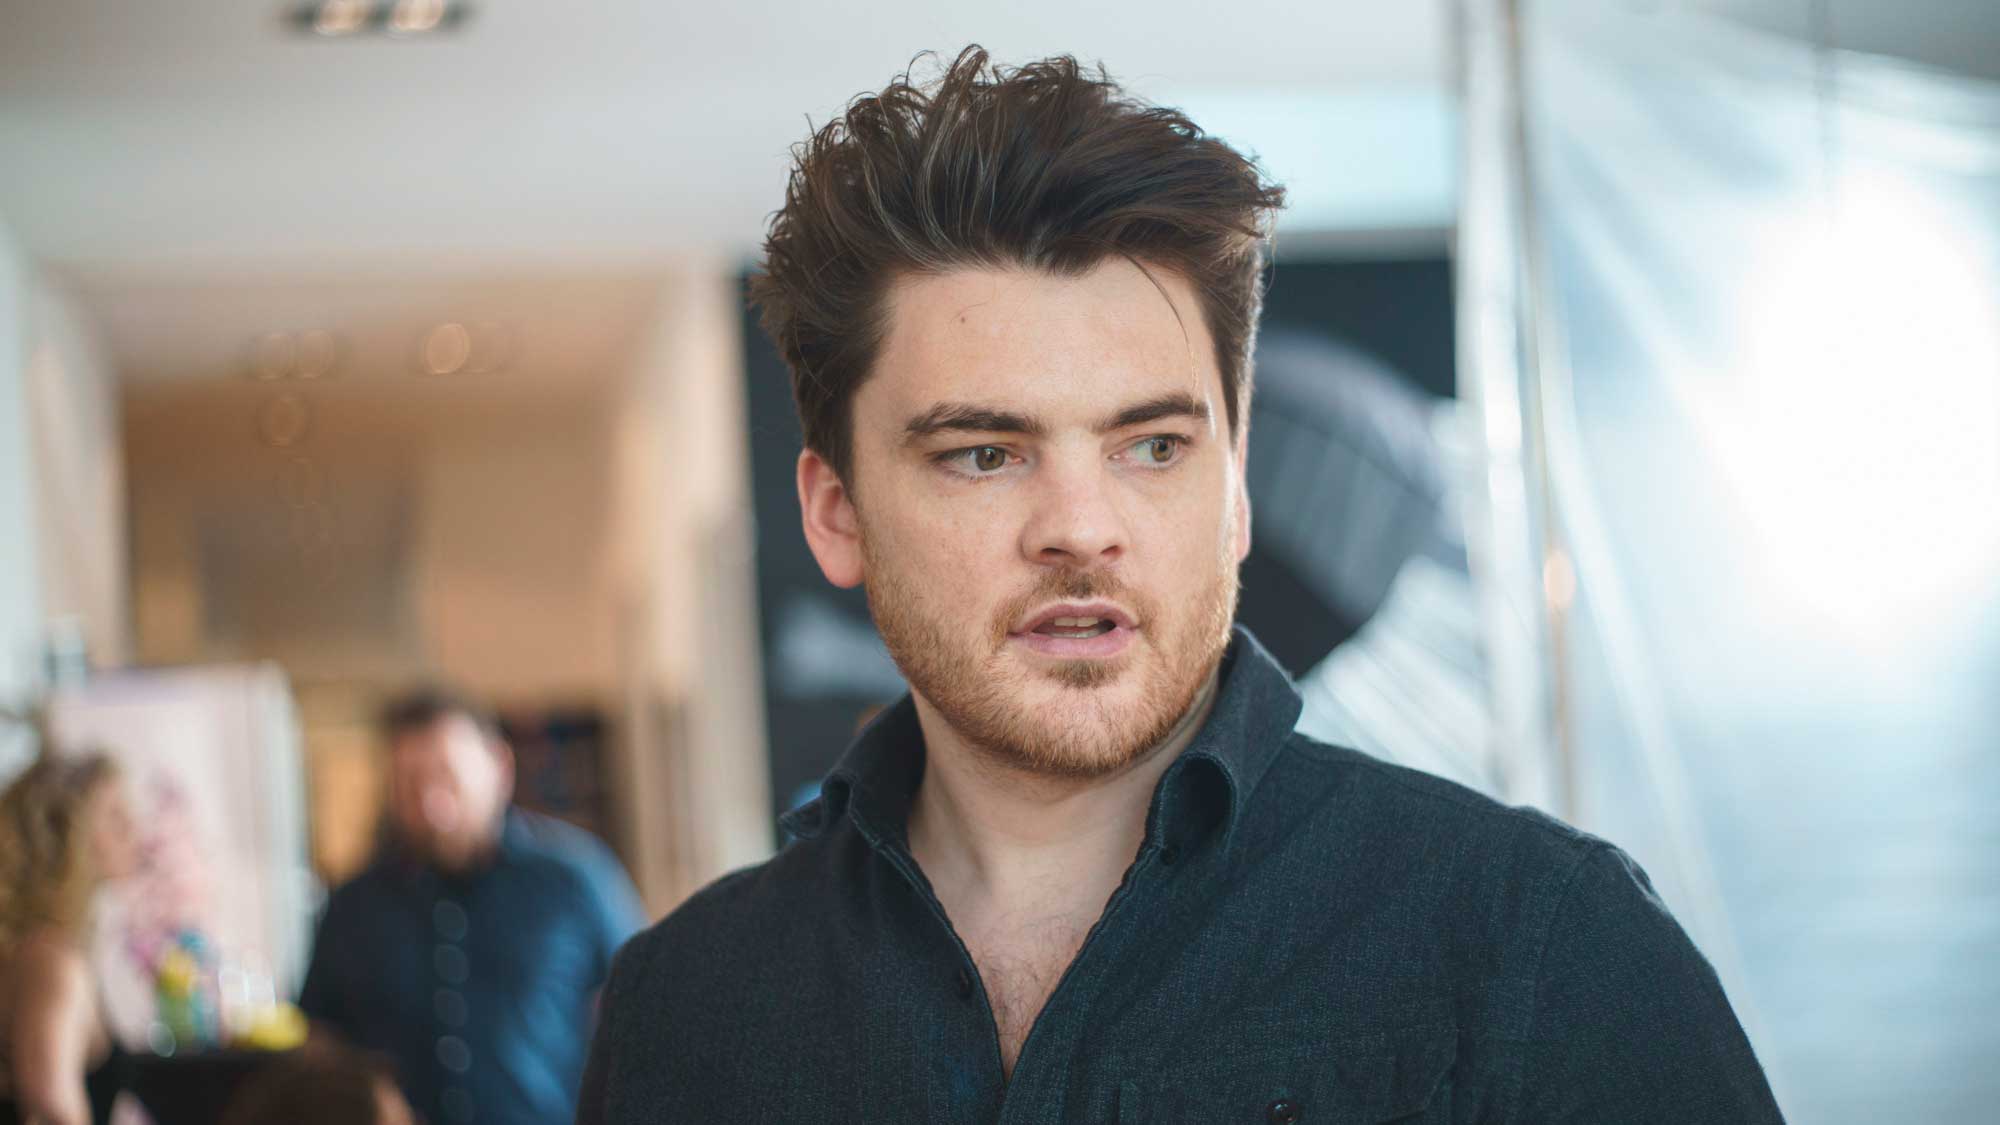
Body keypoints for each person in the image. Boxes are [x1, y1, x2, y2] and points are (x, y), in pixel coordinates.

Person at [577, 46, 1785, 1124]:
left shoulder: (1538, 944)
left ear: (1236, 488)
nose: (1080, 529)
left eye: (1152, 446)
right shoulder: (686, 1008)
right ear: (834, 513)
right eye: (983, 454)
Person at [298, 688, 643, 1125]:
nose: (431, 806)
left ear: (499, 768)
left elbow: (644, 1007)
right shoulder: (353, 907)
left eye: (447, 778)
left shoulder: (574, 879)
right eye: (410, 784)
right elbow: (319, 1040)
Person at [0, 754, 139, 1125]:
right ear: (64, 835)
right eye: (114, 816)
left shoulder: (36, 948)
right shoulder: (52, 962)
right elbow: (50, 1106)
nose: (133, 828)